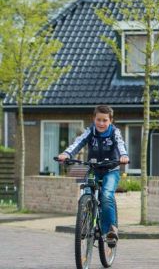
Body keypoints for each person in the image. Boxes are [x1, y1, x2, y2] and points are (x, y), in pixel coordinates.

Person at [56, 105, 129, 247]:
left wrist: (124, 156)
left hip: (110, 170)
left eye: (105, 120)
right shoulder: (90, 131)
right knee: (86, 193)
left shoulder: (115, 132)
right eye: (98, 120)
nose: (101, 123)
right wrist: (66, 154)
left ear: (110, 121)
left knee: (107, 195)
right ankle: (86, 224)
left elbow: (121, 145)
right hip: (94, 169)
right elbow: (78, 143)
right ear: (93, 119)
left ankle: (110, 231)